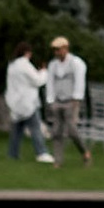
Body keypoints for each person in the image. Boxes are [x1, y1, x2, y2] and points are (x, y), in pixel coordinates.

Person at [43, 29, 92, 166]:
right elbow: (50, 83)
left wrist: (76, 99)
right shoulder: (53, 65)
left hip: (71, 101)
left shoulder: (76, 63)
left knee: (72, 131)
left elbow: (79, 82)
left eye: (59, 50)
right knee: (56, 131)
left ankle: (85, 152)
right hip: (58, 101)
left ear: (65, 49)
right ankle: (58, 160)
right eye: (55, 50)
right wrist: (51, 100)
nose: (56, 53)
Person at [3, 39, 51, 164]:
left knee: (17, 130)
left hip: (16, 102)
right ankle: (41, 152)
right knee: (35, 128)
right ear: (27, 52)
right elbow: (37, 80)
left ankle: (12, 153)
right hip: (27, 102)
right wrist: (44, 72)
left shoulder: (12, 65)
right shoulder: (24, 64)